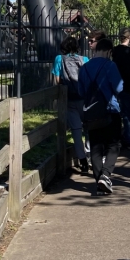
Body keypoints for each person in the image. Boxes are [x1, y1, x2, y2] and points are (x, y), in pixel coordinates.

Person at [77, 37, 124, 195]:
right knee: (114, 145)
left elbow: (81, 91)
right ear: (109, 51)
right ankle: (106, 174)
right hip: (110, 111)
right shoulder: (110, 65)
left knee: (96, 147)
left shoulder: (84, 68)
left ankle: (100, 182)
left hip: (91, 112)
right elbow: (119, 87)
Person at [52, 35, 90, 174]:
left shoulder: (59, 59)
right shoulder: (84, 59)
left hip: (69, 99)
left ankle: (82, 160)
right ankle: (90, 154)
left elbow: (57, 80)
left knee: (76, 130)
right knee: (88, 127)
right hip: (84, 99)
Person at [111, 28, 130, 149]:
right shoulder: (128, 51)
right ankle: (129, 138)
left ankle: (127, 137)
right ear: (129, 38)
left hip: (117, 84)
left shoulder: (115, 50)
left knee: (125, 113)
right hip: (128, 85)